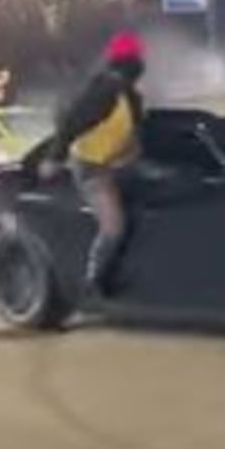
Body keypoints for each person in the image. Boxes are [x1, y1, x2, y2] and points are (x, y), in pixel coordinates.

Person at [54, 32, 146, 299]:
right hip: (92, 169)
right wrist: (54, 158)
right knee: (114, 226)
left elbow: (136, 133)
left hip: (120, 166)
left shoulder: (130, 96)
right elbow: (71, 123)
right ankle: (95, 279)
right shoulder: (102, 91)